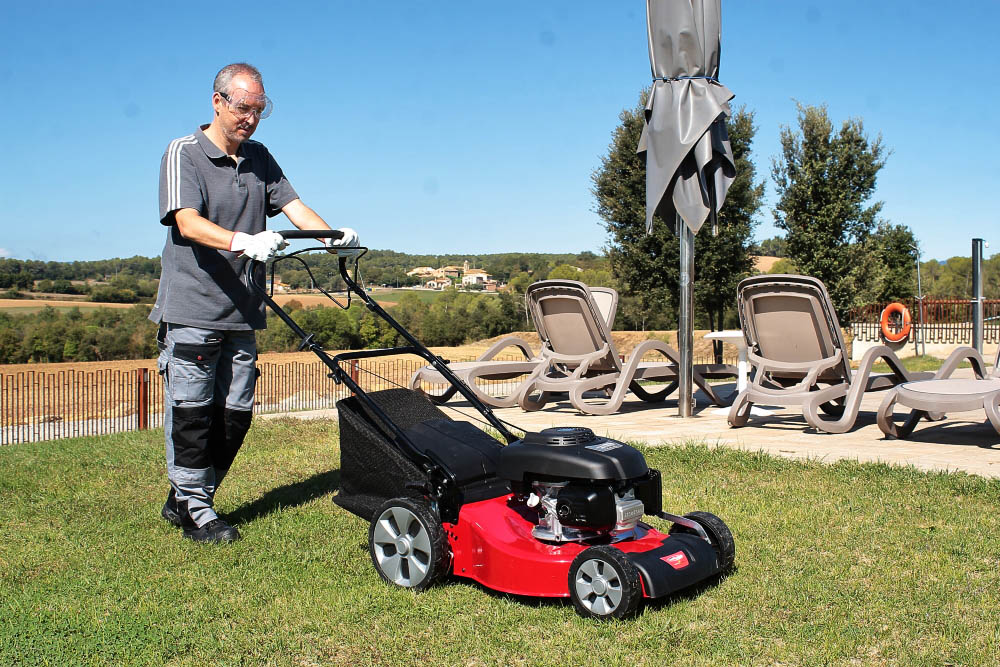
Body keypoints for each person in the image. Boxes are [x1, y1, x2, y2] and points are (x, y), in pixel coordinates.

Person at [153, 63, 358, 543]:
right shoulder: (183, 153)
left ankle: (186, 495)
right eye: (243, 107)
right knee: (192, 414)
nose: (250, 118)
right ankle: (195, 510)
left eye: (259, 110)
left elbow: (294, 207)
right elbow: (186, 222)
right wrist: (243, 241)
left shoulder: (260, 156)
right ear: (218, 101)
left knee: (235, 415)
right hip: (193, 309)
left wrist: (333, 237)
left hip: (242, 311)